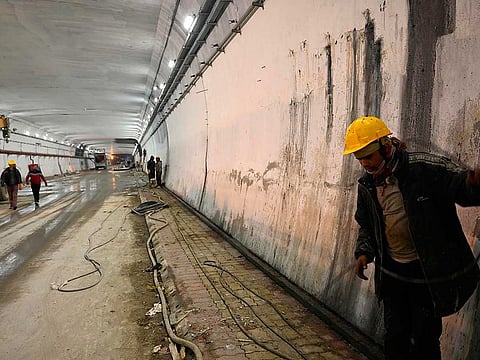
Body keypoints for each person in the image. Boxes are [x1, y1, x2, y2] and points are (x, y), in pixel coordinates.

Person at [343, 116, 480, 360]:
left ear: (385, 147)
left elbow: (462, 187)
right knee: (395, 337)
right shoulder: (366, 185)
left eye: (369, 156)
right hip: (393, 274)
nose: (365, 163)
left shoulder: (424, 169)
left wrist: (475, 183)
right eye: (359, 158)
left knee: (425, 339)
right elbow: (366, 222)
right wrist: (364, 251)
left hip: (425, 274)